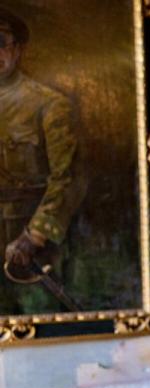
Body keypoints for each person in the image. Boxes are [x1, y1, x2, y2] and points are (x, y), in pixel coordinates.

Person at [0, 6, 78, 314]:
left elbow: (68, 177)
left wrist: (35, 235)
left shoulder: (49, 104)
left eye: (0, 42)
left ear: (17, 50)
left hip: (28, 242)